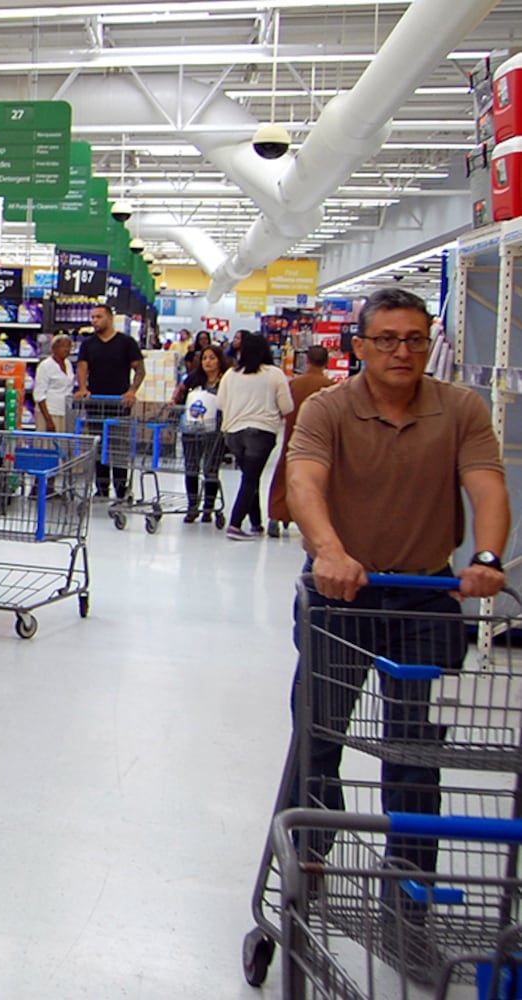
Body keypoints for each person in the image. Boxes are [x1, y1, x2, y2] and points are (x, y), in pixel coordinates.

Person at [279, 287, 508, 972]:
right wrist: (328, 550)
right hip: (342, 596)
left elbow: (488, 485)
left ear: (428, 342)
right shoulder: (328, 409)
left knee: (416, 749)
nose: (402, 351)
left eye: (414, 338)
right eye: (387, 339)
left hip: (426, 596)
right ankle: (308, 853)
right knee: (318, 731)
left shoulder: (461, 408)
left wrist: (488, 559)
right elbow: (304, 481)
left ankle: (407, 894)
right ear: (360, 346)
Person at [216, 333, 292, 539]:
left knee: (250, 477)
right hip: (261, 432)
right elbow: (287, 406)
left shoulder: (230, 375)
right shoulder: (274, 374)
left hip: (233, 433)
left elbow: (220, 403)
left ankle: (256, 524)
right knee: (250, 479)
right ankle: (235, 524)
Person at [72, 304, 144, 500]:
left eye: (98, 317)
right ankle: (101, 489)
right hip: (96, 404)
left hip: (119, 405)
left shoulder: (126, 343)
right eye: (92, 317)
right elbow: (82, 366)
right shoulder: (88, 344)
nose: (94, 321)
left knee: (118, 448)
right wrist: (83, 388)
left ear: (110, 318)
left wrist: (131, 391)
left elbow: (139, 369)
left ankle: (122, 490)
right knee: (98, 446)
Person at [265, 345, 334, 537]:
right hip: (320, 442)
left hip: (292, 437)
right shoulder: (330, 387)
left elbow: (283, 408)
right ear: (326, 362)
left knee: (283, 476)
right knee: (317, 482)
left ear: (307, 361)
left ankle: (276, 516)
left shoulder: (294, 384)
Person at [173, 345, 227, 523]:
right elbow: (180, 391)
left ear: (219, 360)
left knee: (211, 469)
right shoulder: (194, 378)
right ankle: (192, 506)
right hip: (192, 428)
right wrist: (174, 402)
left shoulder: (226, 381)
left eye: (212, 358)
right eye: (204, 358)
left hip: (215, 430)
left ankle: (208, 508)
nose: (208, 362)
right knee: (191, 466)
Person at [34, 335, 75, 433]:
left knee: (62, 444)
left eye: (69, 347)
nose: (67, 350)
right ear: (54, 348)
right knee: (48, 444)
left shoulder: (68, 364)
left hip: (65, 412)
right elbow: (39, 395)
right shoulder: (45, 366)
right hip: (50, 412)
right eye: (63, 346)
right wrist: (48, 420)